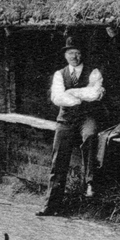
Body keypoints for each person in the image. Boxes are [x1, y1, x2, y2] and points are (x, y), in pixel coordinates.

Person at [37, 40, 105, 216]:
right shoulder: (59, 74)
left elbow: (94, 94)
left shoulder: (93, 72)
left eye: (77, 53)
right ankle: (51, 205)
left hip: (86, 117)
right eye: (70, 53)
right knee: (58, 158)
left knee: (90, 135)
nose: (74, 57)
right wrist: (81, 95)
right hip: (66, 118)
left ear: (82, 54)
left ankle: (89, 183)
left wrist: (72, 92)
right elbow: (58, 98)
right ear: (65, 55)